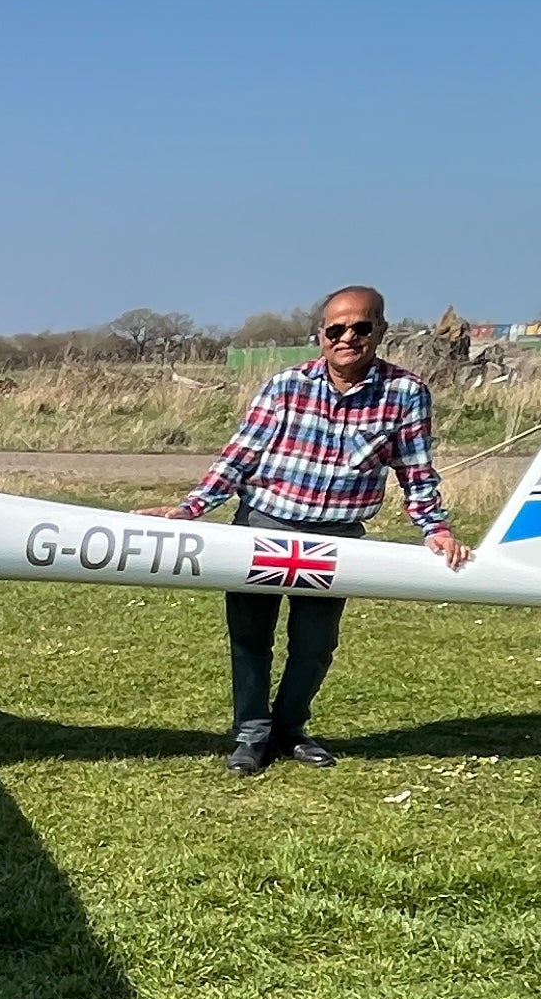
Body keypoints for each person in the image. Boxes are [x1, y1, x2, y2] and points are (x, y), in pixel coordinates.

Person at [172, 287, 466, 775]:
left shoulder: (405, 393)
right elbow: (239, 456)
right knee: (250, 637)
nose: (348, 337)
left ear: (380, 332)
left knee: (314, 643)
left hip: (337, 538)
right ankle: (250, 733)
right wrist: (193, 507)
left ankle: (291, 730)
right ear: (321, 336)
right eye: (336, 329)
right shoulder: (285, 385)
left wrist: (434, 529)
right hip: (265, 525)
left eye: (361, 328)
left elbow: (415, 470)